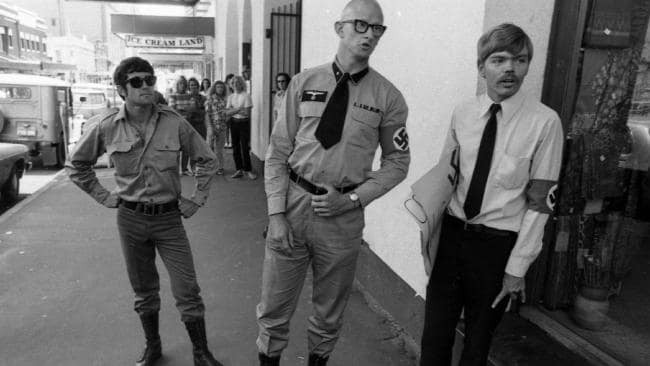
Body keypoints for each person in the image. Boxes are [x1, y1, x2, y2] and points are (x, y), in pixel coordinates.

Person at [257, 1, 410, 365]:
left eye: (378, 29)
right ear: (339, 29)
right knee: (274, 307)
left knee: (328, 313)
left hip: (342, 218)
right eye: (361, 25)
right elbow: (278, 152)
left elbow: (398, 162)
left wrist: (354, 199)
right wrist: (276, 214)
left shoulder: (388, 97)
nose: (370, 34)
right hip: (293, 207)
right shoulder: (303, 83)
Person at [417, 23, 564, 365]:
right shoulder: (463, 113)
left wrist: (517, 267)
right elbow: (446, 178)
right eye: (499, 59)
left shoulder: (545, 123)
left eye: (520, 59)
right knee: (434, 336)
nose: (510, 68)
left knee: (478, 343)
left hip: (497, 248)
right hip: (452, 238)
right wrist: (431, 238)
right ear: (481, 67)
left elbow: (541, 204)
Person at [66, 56, 223, 366]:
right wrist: (103, 196)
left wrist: (197, 198)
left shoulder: (174, 122)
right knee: (144, 290)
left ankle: (201, 353)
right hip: (131, 220)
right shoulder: (107, 125)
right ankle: (153, 347)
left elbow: (207, 159)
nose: (146, 86)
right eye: (137, 81)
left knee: (187, 289)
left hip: (169, 220)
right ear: (122, 90)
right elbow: (77, 165)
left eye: (150, 80)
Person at [224, 75, 256, 180]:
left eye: (238, 82)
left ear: (241, 84)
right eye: (233, 83)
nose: (235, 85)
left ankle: (248, 170)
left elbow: (247, 113)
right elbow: (227, 112)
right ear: (231, 85)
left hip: (244, 123)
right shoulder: (231, 97)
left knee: (245, 147)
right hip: (234, 123)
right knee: (235, 147)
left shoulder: (246, 96)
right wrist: (239, 109)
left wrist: (234, 110)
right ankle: (239, 169)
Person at [168, 76, 193, 175]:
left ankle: (184, 169)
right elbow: (173, 110)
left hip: (188, 124)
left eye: (183, 83)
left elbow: (192, 109)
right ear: (177, 85)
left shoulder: (189, 96)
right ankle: (176, 169)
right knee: (176, 148)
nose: (182, 85)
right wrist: (184, 110)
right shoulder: (172, 96)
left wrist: (181, 109)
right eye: (180, 83)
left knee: (187, 148)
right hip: (176, 125)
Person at [205, 80, 229, 175]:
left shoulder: (225, 100)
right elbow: (207, 114)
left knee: (219, 149)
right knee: (209, 148)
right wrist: (210, 127)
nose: (220, 89)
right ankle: (210, 167)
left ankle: (220, 167)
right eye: (218, 87)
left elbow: (227, 113)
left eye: (222, 87)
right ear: (214, 88)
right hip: (212, 127)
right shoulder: (210, 100)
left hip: (222, 127)